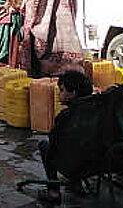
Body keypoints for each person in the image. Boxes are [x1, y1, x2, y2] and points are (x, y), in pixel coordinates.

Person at [37, 70, 94, 204]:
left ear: (73, 93)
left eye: (62, 90)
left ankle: (53, 191)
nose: (59, 93)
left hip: (74, 163)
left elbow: (54, 142)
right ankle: (76, 183)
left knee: (45, 146)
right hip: (96, 158)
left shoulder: (66, 116)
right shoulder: (95, 110)